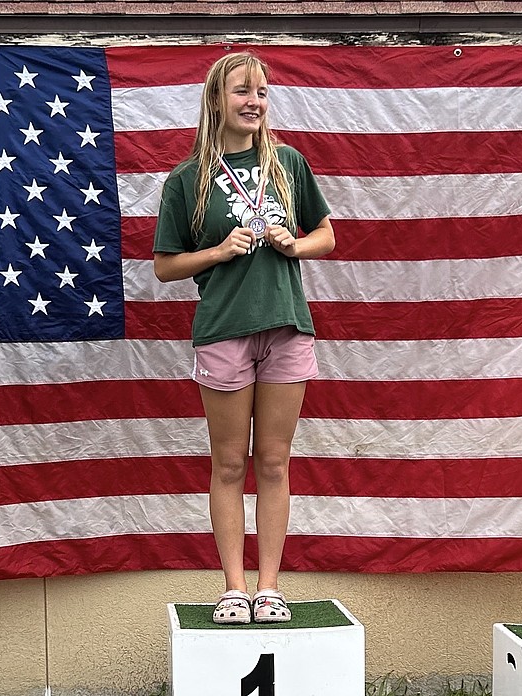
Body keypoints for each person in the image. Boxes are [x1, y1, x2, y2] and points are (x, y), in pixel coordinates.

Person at [152, 53, 335, 625]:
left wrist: (293, 245)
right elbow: (164, 266)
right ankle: (233, 585)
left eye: (262, 91)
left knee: (275, 461)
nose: (254, 101)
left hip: (286, 326)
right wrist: (217, 251)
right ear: (216, 100)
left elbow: (326, 235)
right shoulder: (187, 179)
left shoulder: (288, 163)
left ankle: (270, 585)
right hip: (223, 331)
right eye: (242, 91)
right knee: (230, 464)